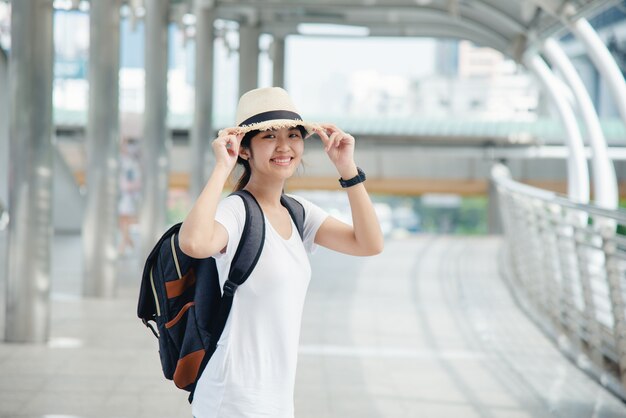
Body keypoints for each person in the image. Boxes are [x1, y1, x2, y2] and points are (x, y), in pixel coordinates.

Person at [179, 87, 384, 418]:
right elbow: (194, 243)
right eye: (269, 136)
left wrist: (347, 168)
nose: (285, 146)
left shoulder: (298, 212)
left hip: (276, 396)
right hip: (233, 395)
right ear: (245, 150)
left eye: (293, 135)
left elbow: (369, 243)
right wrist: (222, 168)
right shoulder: (237, 211)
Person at [117, 137, 141, 255]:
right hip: (123, 193)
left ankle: (124, 245)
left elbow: (134, 180)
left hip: (127, 194)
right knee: (122, 221)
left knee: (124, 220)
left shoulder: (131, 162)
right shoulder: (123, 160)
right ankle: (129, 242)